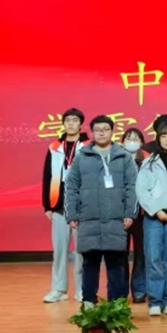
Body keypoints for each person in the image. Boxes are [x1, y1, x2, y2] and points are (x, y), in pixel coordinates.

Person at [65, 115, 138, 304]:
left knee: (116, 264)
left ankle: (116, 304)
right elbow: (71, 187)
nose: (102, 133)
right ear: (91, 133)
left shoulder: (124, 157)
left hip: (116, 219)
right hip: (88, 219)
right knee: (90, 263)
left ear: (112, 132)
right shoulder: (81, 157)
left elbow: (132, 187)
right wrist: (71, 214)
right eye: (98, 130)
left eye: (106, 129)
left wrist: (130, 213)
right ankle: (89, 302)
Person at [136, 121, 167, 316]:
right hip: (154, 217)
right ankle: (155, 301)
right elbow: (142, 190)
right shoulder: (149, 162)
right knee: (153, 259)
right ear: (158, 138)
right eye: (164, 135)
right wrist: (157, 211)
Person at [42, 108, 88, 303]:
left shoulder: (88, 146)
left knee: (81, 251)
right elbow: (47, 176)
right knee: (59, 250)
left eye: (75, 120)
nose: (71, 123)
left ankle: (82, 289)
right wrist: (47, 206)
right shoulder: (54, 147)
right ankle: (59, 289)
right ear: (63, 123)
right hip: (59, 205)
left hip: (82, 207)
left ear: (81, 124)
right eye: (67, 120)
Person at [122, 128, 147, 303]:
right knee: (120, 254)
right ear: (122, 141)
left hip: (142, 214)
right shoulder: (116, 159)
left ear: (141, 142)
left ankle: (139, 289)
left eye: (135, 138)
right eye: (128, 138)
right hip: (121, 213)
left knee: (141, 253)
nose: (132, 141)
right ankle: (120, 289)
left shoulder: (148, 160)